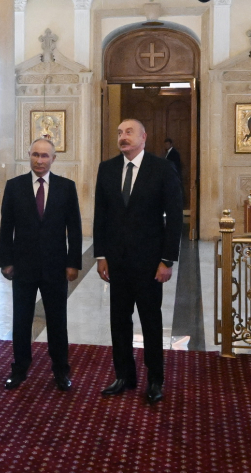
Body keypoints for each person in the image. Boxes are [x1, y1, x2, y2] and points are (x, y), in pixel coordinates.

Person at [93, 119, 183, 405]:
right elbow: (101, 215)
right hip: (116, 262)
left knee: (150, 322)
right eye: (119, 132)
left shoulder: (162, 168)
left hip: (149, 262)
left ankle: (155, 378)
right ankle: (124, 376)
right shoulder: (107, 169)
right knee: (118, 321)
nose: (123, 137)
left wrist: (166, 260)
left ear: (143, 136)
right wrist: (101, 255)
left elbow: (175, 217)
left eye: (129, 132)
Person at [0, 138, 81, 391]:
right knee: (21, 320)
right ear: (29, 156)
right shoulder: (14, 187)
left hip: (55, 266)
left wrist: (73, 263)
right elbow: (7, 227)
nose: (40, 160)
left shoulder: (67, 187)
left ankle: (60, 370)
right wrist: (6, 261)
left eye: (45, 156)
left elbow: (75, 228)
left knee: (57, 321)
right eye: (35, 154)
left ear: (53, 159)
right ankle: (20, 368)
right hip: (23, 265)